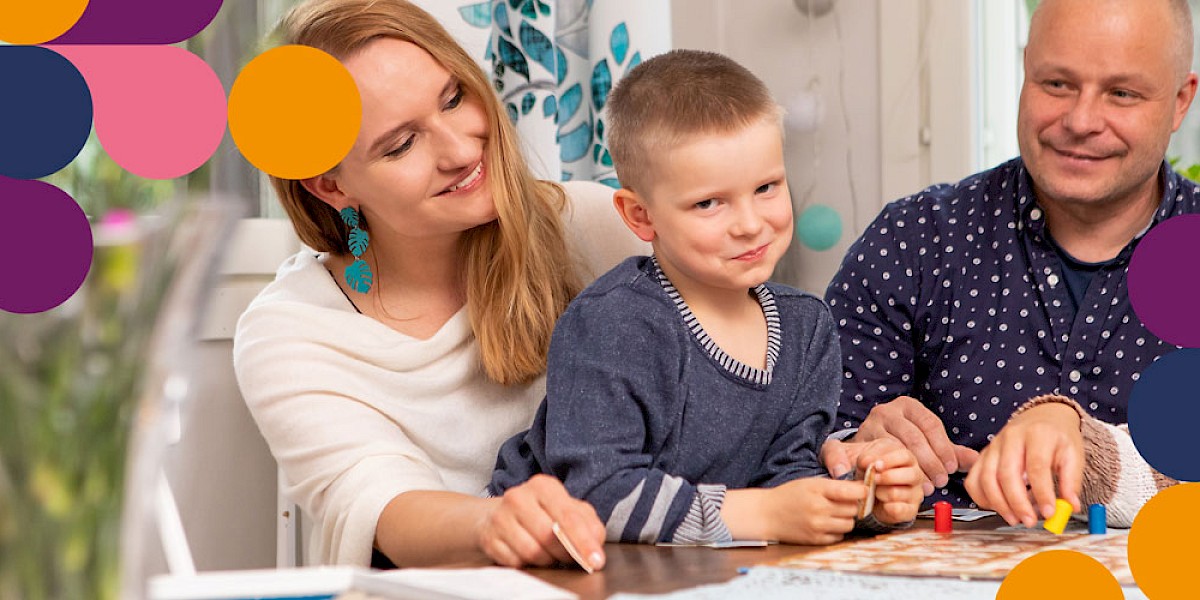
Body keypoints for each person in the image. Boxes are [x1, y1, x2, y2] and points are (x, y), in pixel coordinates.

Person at [233, 0, 649, 569]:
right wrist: (494, 522)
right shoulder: (291, 333)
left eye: (453, 98)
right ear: (331, 185)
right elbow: (383, 505)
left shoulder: (601, 227)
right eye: (401, 144)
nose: (461, 150)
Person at [487, 50, 923, 547]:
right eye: (709, 203)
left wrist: (861, 497)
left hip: (690, 562)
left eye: (766, 187)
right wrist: (765, 514)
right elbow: (596, 495)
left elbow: (787, 476)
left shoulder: (807, 327)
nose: (750, 224)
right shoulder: (613, 323)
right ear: (640, 216)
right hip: (539, 559)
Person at [821, 0, 1198, 529]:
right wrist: (857, 455)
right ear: (1026, 70)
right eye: (1057, 84)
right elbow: (800, 459)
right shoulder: (911, 240)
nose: (1081, 121)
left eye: (1121, 94)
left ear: (1181, 101)